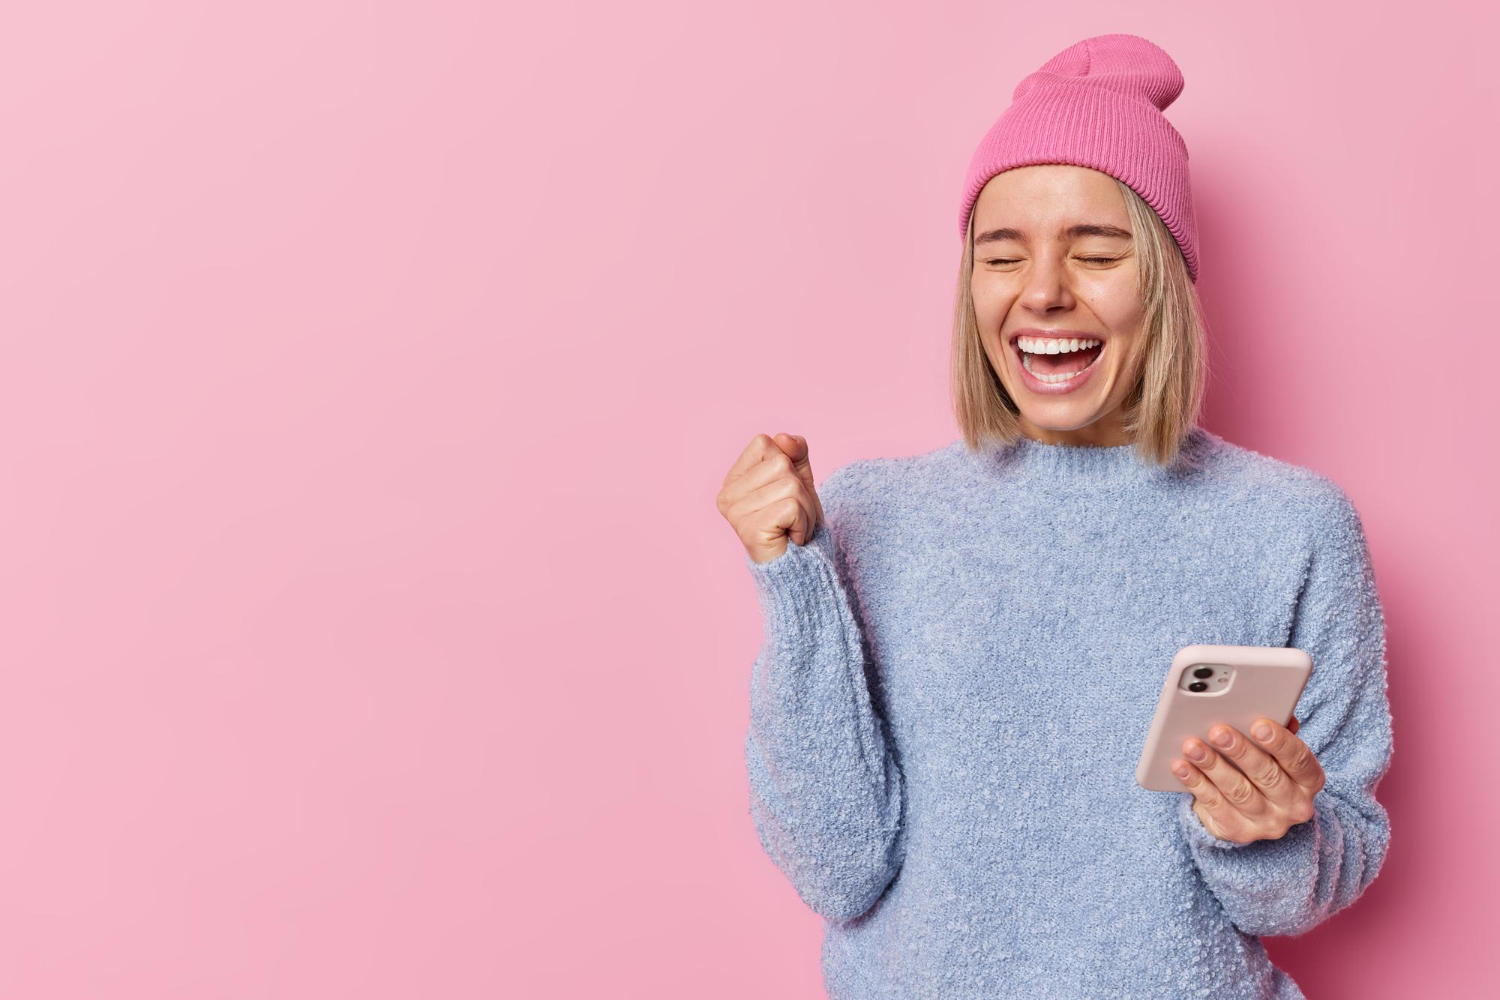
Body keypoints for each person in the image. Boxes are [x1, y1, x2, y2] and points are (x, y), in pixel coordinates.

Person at [714, 33, 1395, 999]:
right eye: (1002, 255)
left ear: (1162, 274)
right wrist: (794, 582)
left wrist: (1271, 832)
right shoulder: (871, 516)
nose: (1041, 292)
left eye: (1096, 251)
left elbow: (1315, 883)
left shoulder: (1292, 530)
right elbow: (837, 867)